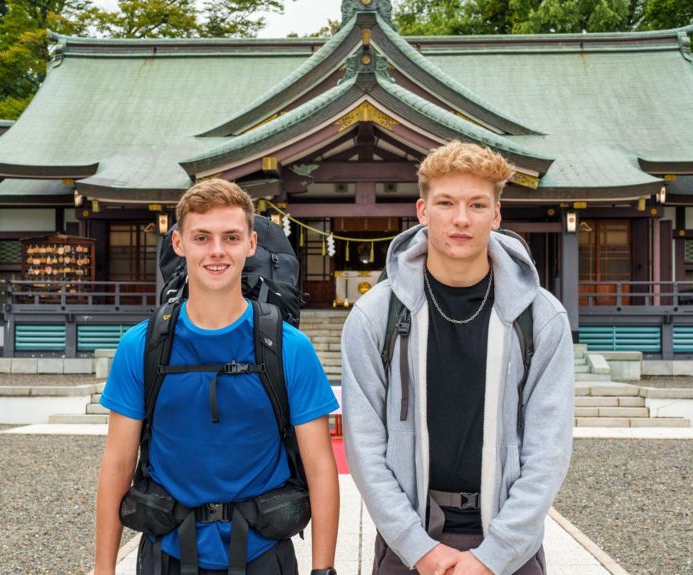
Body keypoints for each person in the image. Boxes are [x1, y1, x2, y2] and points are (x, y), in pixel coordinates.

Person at [342, 141, 574, 575]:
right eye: (446, 203)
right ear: (422, 211)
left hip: (509, 545)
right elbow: (364, 446)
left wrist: (494, 556)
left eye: (477, 204)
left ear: (497, 215)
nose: (461, 219)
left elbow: (549, 449)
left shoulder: (539, 317)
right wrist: (417, 547)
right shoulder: (375, 316)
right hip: (406, 542)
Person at [95, 179, 340, 575]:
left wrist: (323, 570)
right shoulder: (140, 346)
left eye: (230, 237)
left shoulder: (290, 348)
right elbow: (117, 463)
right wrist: (104, 569)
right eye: (202, 237)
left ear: (251, 244)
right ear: (179, 244)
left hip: (264, 553)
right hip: (166, 553)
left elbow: (321, 468)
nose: (216, 251)